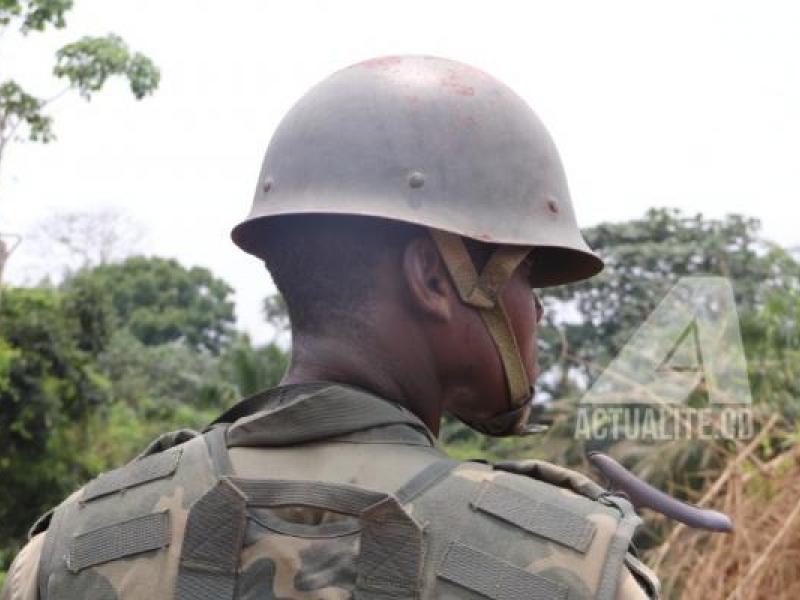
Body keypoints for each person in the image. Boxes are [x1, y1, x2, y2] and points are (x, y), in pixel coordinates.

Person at [2, 55, 660, 599]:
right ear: (434, 277)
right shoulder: (576, 570)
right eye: (525, 271)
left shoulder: (68, 551)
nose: (537, 309)